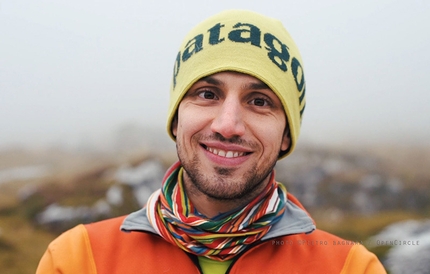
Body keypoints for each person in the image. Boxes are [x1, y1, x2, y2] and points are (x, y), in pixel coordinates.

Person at [36, 10, 386, 273]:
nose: (228, 125)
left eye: (260, 101)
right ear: (176, 118)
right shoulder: (78, 259)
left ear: (285, 135)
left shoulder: (350, 268)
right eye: (207, 93)